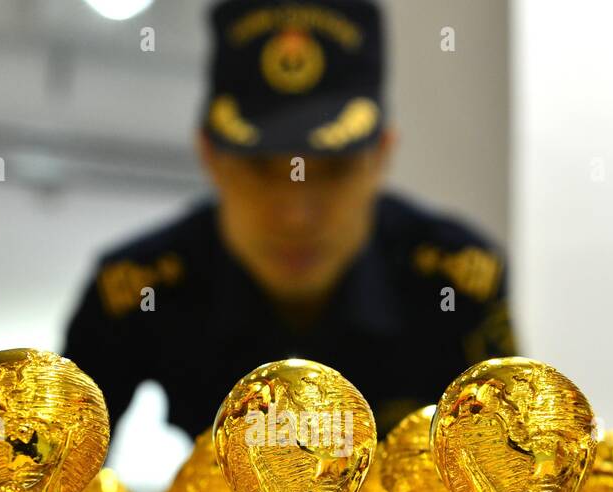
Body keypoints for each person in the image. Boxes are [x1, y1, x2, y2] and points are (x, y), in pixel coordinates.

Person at [63, 0, 514, 437]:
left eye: (334, 169)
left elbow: (517, 481)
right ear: (209, 156)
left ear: (381, 156)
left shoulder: (455, 284)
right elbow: (48, 485)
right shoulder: (137, 290)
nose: (296, 216)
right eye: (261, 167)